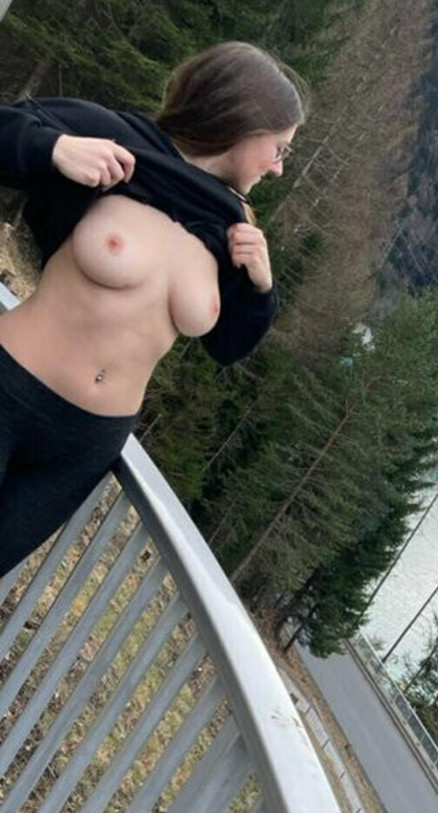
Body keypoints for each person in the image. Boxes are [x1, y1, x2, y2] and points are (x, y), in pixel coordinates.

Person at [0, 41, 306, 578]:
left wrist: (261, 289)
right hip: (11, 388)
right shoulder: (114, 140)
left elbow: (228, 346)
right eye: (279, 149)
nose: (279, 168)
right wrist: (54, 148)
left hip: (84, 445)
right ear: (245, 122)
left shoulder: (230, 225)